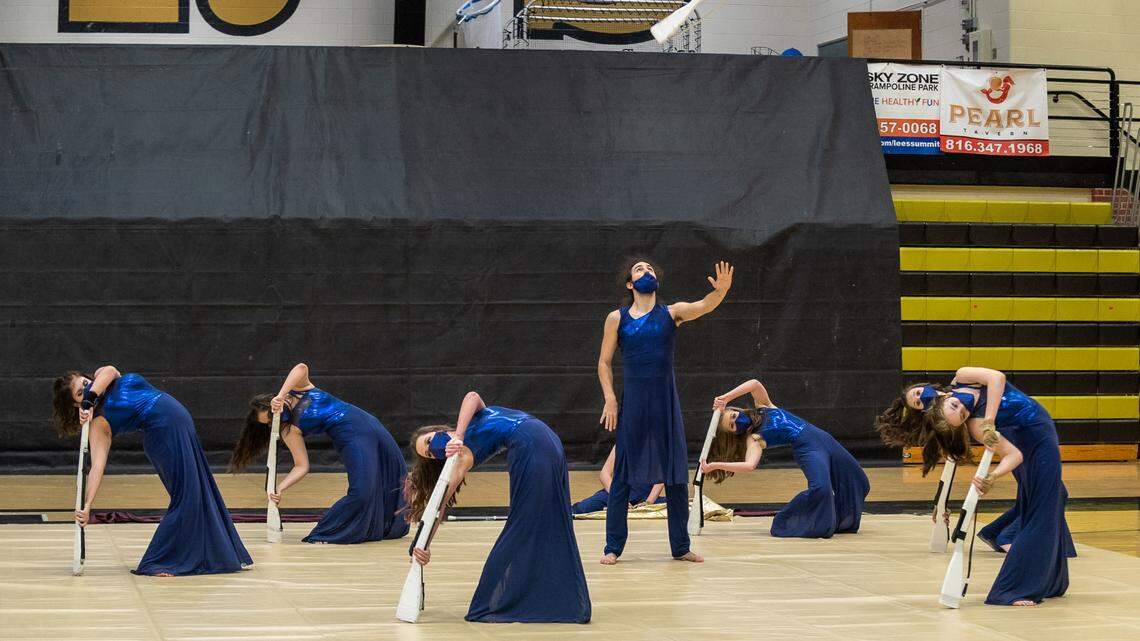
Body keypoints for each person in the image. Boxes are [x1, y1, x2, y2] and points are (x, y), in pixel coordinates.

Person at [880, 366, 1072, 606]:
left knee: (1051, 498)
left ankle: (1051, 580)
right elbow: (1013, 455)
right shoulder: (974, 424)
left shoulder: (962, 377)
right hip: (1033, 438)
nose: (962, 409)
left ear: (937, 392)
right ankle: (1013, 590)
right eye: (918, 403)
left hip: (1034, 431)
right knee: (1043, 508)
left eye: (917, 393)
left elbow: (997, 378)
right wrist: (992, 477)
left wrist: (990, 420)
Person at [407, 391, 591, 623]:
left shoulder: (465, 426)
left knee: (529, 524)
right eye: (430, 455)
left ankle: (509, 601)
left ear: (438, 430)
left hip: (537, 438)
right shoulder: (460, 459)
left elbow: (472, 396)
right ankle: (555, 600)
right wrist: (423, 545)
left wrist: (459, 436)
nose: (433, 449)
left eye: (429, 441)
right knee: (535, 522)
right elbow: (438, 507)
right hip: (534, 444)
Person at [52, 367, 251, 576]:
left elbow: (109, 371)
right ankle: (160, 561)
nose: (87, 387)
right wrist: (87, 505)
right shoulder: (98, 424)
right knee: (187, 496)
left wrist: (88, 398)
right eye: (80, 393)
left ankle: (220, 553)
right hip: (163, 433)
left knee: (201, 488)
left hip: (180, 421)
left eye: (84, 382)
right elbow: (97, 466)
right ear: (76, 405)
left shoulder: (104, 377)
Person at [597, 259, 733, 564]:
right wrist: (610, 398)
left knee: (674, 474)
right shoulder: (616, 319)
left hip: (665, 405)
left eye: (649, 268)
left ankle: (680, 547)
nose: (646, 271)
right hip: (632, 405)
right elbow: (603, 362)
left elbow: (704, 305)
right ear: (630, 284)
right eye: (638, 269)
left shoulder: (671, 313)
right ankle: (613, 547)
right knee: (622, 475)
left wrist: (721, 292)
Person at [229, 363, 408, 544]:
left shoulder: (297, 389)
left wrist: (281, 394)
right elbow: (302, 465)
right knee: (362, 491)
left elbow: (301, 367)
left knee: (393, 469)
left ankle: (389, 524)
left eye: (271, 411)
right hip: (349, 433)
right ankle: (328, 531)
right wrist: (281, 487)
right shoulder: (288, 431)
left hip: (366, 420)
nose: (275, 416)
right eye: (269, 421)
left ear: (272, 401)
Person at [701, 378, 869, 538]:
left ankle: (840, 520)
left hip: (823, 438)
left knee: (859, 481)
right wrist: (716, 465)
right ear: (734, 433)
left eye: (733, 416)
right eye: (732, 426)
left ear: (736, 410)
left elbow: (754, 384)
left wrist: (726, 398)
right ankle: (785, 522)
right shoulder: (754, 438)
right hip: (808, 449)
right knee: (821, 489)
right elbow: (750, 465)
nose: (736, 421)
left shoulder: (764, 406)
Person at [572, 446, 665, 515]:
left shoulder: (656, 442)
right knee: (581, 509)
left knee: (676, 506)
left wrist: (648, 503)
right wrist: (619, 497)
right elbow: (604, 474)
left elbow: (660, 480)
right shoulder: (622, 441)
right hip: (619, 491)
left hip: (646, 496)